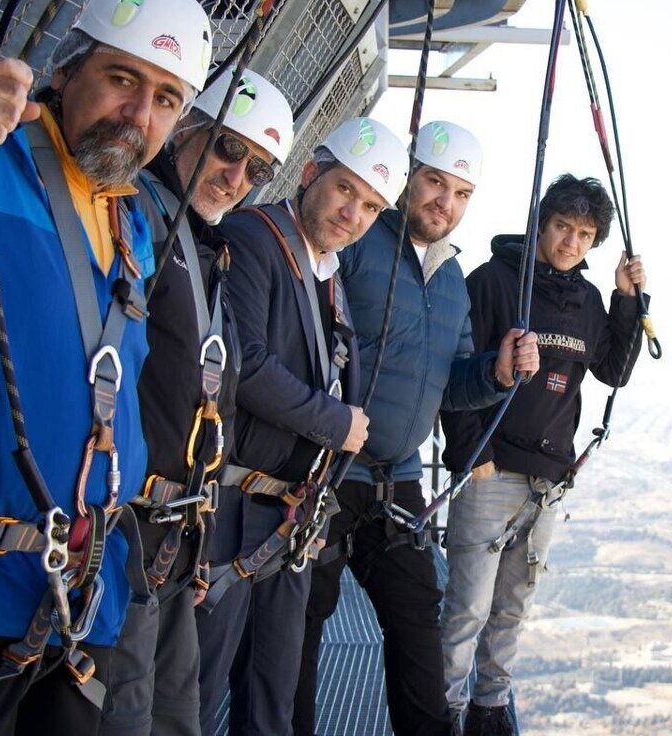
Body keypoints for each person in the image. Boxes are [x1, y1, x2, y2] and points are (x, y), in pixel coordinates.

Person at [0, 0, 211, 734]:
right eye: (123, 79)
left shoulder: (133, 225)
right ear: (66, 69)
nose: (139, 115)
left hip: (87, 595)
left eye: (167, 99)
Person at [293, 121, 540, 736]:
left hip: (396, 483)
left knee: (417, 625)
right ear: (406, 177)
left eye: (461, 194)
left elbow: (449, 383)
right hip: (327, 468)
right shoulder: (356, 241)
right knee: (300, 624)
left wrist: (498, 373)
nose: (445, 203)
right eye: (434, 182)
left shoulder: (452, 278)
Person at [195, 116, 409, 736]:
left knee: (274, 696)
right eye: (346, 190)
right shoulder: (253, 238)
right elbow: (243, 363)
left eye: (370, 206)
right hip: (231, 508)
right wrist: (336, 421)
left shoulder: (327, 274)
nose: (354, 213)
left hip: (286, 515)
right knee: (198, 686)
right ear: (312, 173)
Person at [98, 69, 295, 736]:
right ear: (185, 131)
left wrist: (202, 536)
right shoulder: (138, 216)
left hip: (177, 538)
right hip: (124, 530)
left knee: (177, 716)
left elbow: (214, 404)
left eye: (257, 169)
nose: (236, 176)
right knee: (126, 715)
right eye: (228, 149)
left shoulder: (209, 251)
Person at [439, 174, 648, 736]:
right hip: (491, 470)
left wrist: (629, 302)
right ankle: (445, 714)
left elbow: (613, 372)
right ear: (540, 223)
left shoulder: (587, 300)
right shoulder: (492, 283)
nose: (571, 243)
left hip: (548, 480)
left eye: (584, 234)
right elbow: (454, 371)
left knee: (512, 606)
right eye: (562, 227)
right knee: (467, 607)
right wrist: (467, 456)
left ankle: (489, 708)